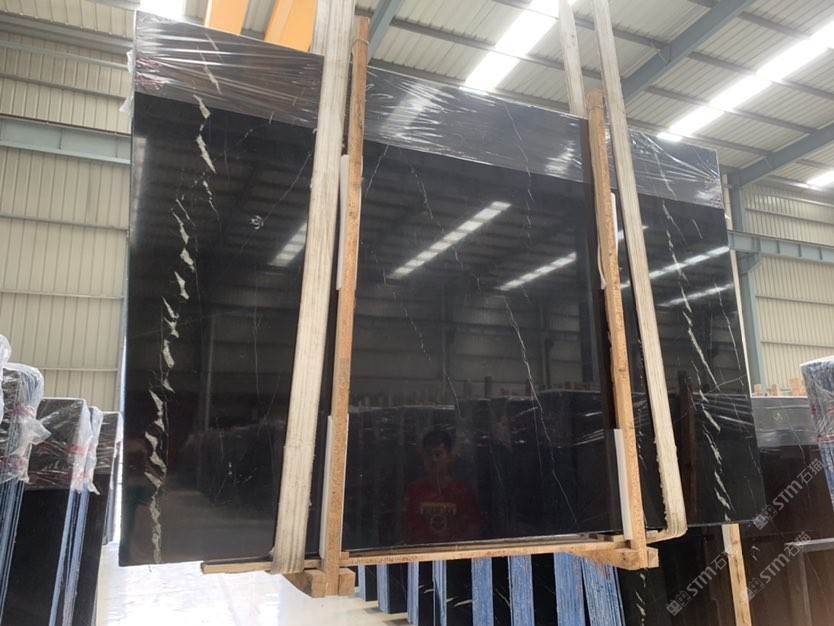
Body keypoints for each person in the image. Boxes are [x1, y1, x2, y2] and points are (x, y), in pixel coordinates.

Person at [402, 429, 481, 544]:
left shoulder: (463, 491)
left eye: (438, 454)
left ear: (450, 457)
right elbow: (407, 529)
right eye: (428, 455)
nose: (433, 459)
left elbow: (474, 529)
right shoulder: (414, 491)